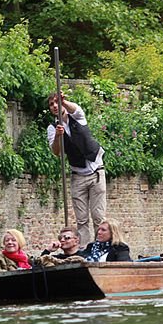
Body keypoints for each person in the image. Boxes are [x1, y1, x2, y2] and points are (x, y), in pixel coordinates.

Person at [47, 92, 106, 244]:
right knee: (81, 219)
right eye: (51, 104)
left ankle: (101, 248)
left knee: (98, 216)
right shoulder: (52, 128)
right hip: (78, 175)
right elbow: (56, 152)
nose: (54, 106)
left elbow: (75, 109)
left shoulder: (77, 116)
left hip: (96, 171)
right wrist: (58, 137)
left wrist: (64, 102)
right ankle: (84, 249)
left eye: (56, 103)